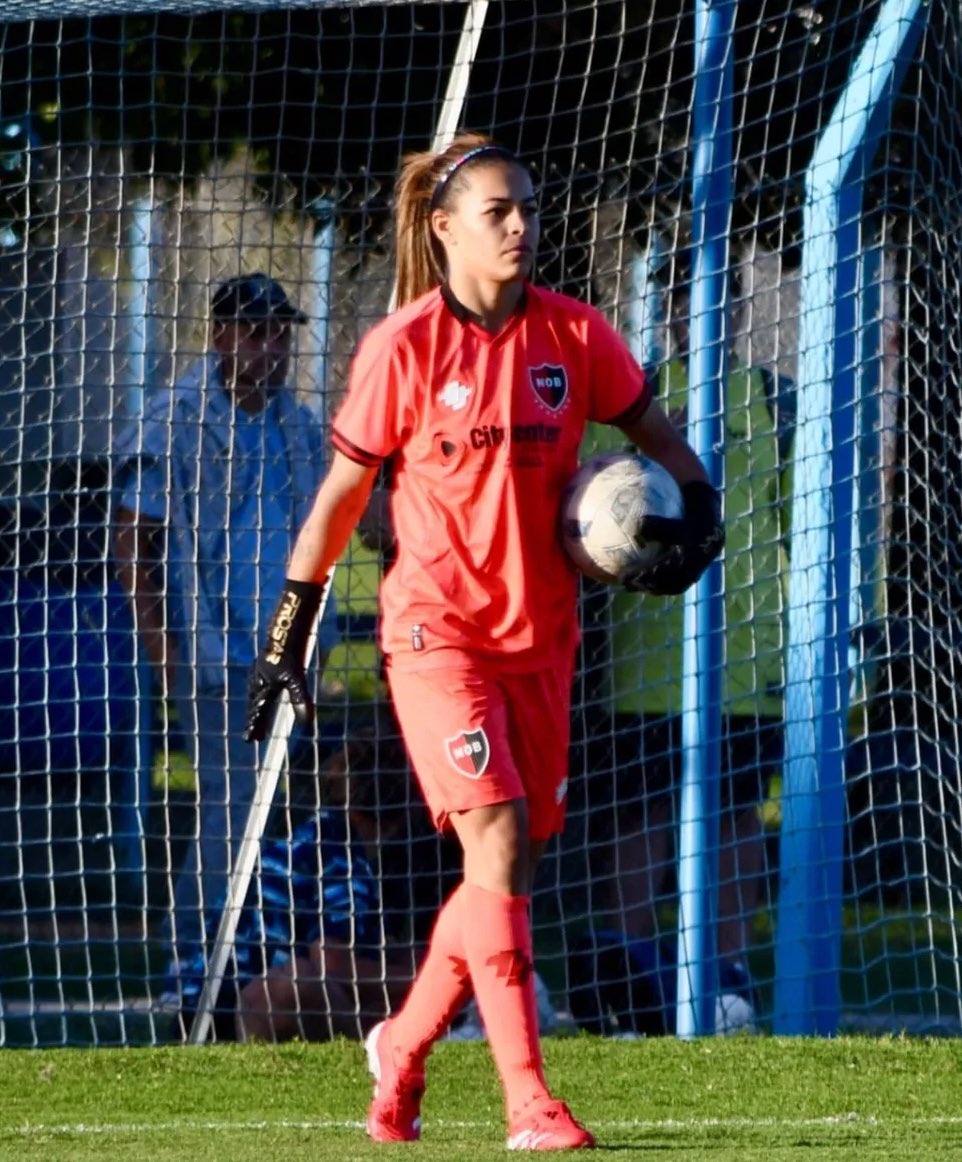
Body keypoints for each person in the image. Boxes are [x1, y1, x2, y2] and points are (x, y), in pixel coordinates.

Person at [243, 134, 722, 1151]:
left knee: (502, 875)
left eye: (529, 208)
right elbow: (341, 497)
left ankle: (403, 1050)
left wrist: (698, 511)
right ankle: (528, 1104)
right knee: (495, 840)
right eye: (497, 209)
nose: (519, 226)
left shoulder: (576, 337)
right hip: (435, 638)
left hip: (542, 639)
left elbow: (657, 438)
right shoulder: (403, 348)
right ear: (443, 225)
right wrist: (289, 630)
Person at [113, 273, 339, 982]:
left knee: (270, 807)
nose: (270, 348)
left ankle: (241, 953)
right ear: (219, 337)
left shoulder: (298, 427)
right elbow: (129, 541)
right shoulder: (174, 417)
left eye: (280, 333)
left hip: (290, 652)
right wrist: (164, 652)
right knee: (233, 805)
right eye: (254, 332)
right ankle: (190, 954)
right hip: (210, 652)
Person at [583, 270, 791, 992]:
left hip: (745, 662)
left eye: (719, 300)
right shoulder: (626, 396)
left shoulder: (771, 399)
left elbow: (794, 523)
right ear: (666, 310)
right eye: (686, 300)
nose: (703, 314)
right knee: (640, 812)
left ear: (738, 308)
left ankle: (726, 972)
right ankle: (628, 968)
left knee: (735, 818)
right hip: (648, 660)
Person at [176, 732, 417, 1043]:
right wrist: (425, 980)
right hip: (226, 1013)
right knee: (308, 981)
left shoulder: (315, 835)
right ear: (401, 815)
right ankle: (377, 1062)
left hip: (203, 1006)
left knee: (380, 997)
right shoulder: (339, 855)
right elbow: (334, 964)